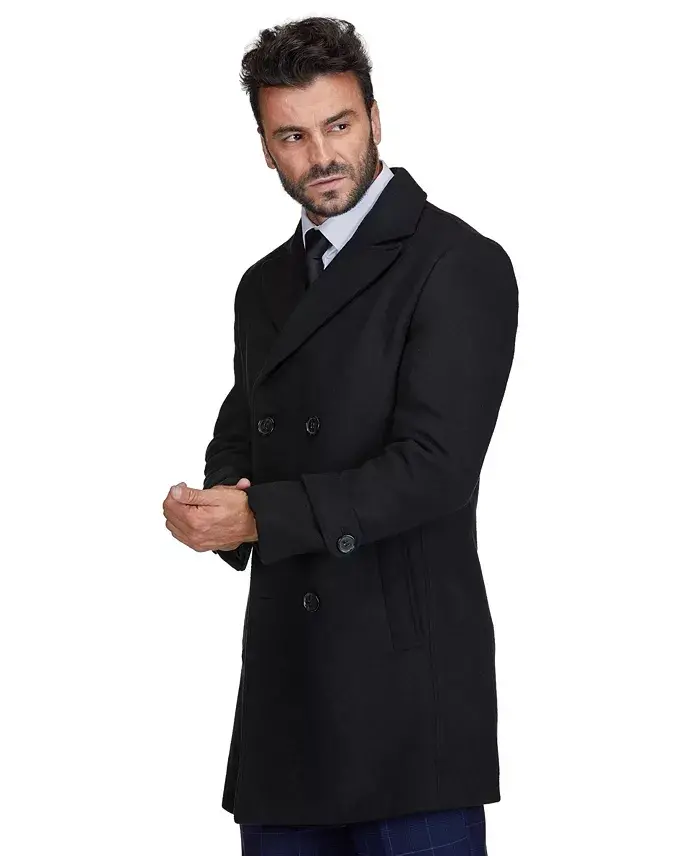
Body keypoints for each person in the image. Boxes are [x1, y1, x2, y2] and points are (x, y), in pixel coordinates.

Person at [163, 16, 518, 856]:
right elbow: (243, 427)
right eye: (292, 135)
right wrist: (218, 502)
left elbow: (435, 470)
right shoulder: (263, 286)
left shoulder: (457, 262)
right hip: (288, 692)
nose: (321, 155)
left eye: (338, 125)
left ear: (375, 119)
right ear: (265, 148)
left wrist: (263, 517)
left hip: (407, 699)